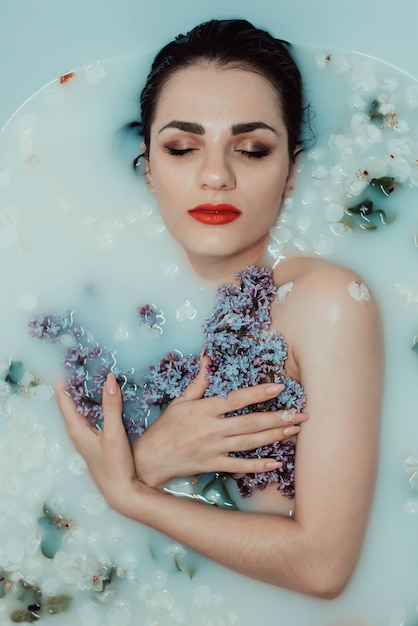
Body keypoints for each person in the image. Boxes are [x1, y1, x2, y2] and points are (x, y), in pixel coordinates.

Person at [57, 19, 383, 599]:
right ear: (149, 167)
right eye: (182, 148)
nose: (215, 175)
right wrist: (150, 458)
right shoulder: (86, 295)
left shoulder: (326, 302)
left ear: (291, 173)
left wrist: (130, 490)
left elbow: (323, 567)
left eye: (252, 149)